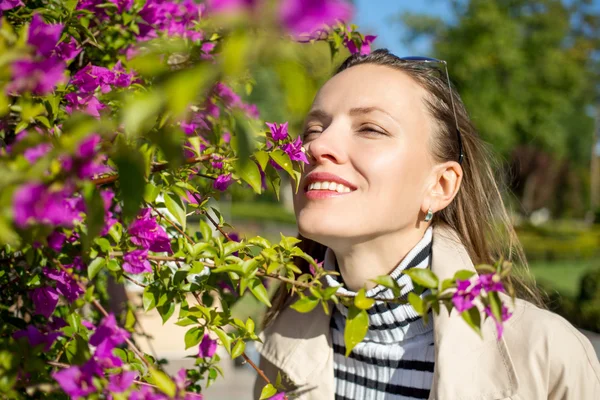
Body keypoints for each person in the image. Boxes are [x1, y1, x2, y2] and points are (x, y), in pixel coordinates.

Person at [253, 49, 600, 400]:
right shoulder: (280, 343)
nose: (317, 146)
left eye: (370, 128)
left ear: (440, 186)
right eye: (314, 128)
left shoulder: (549, 358)